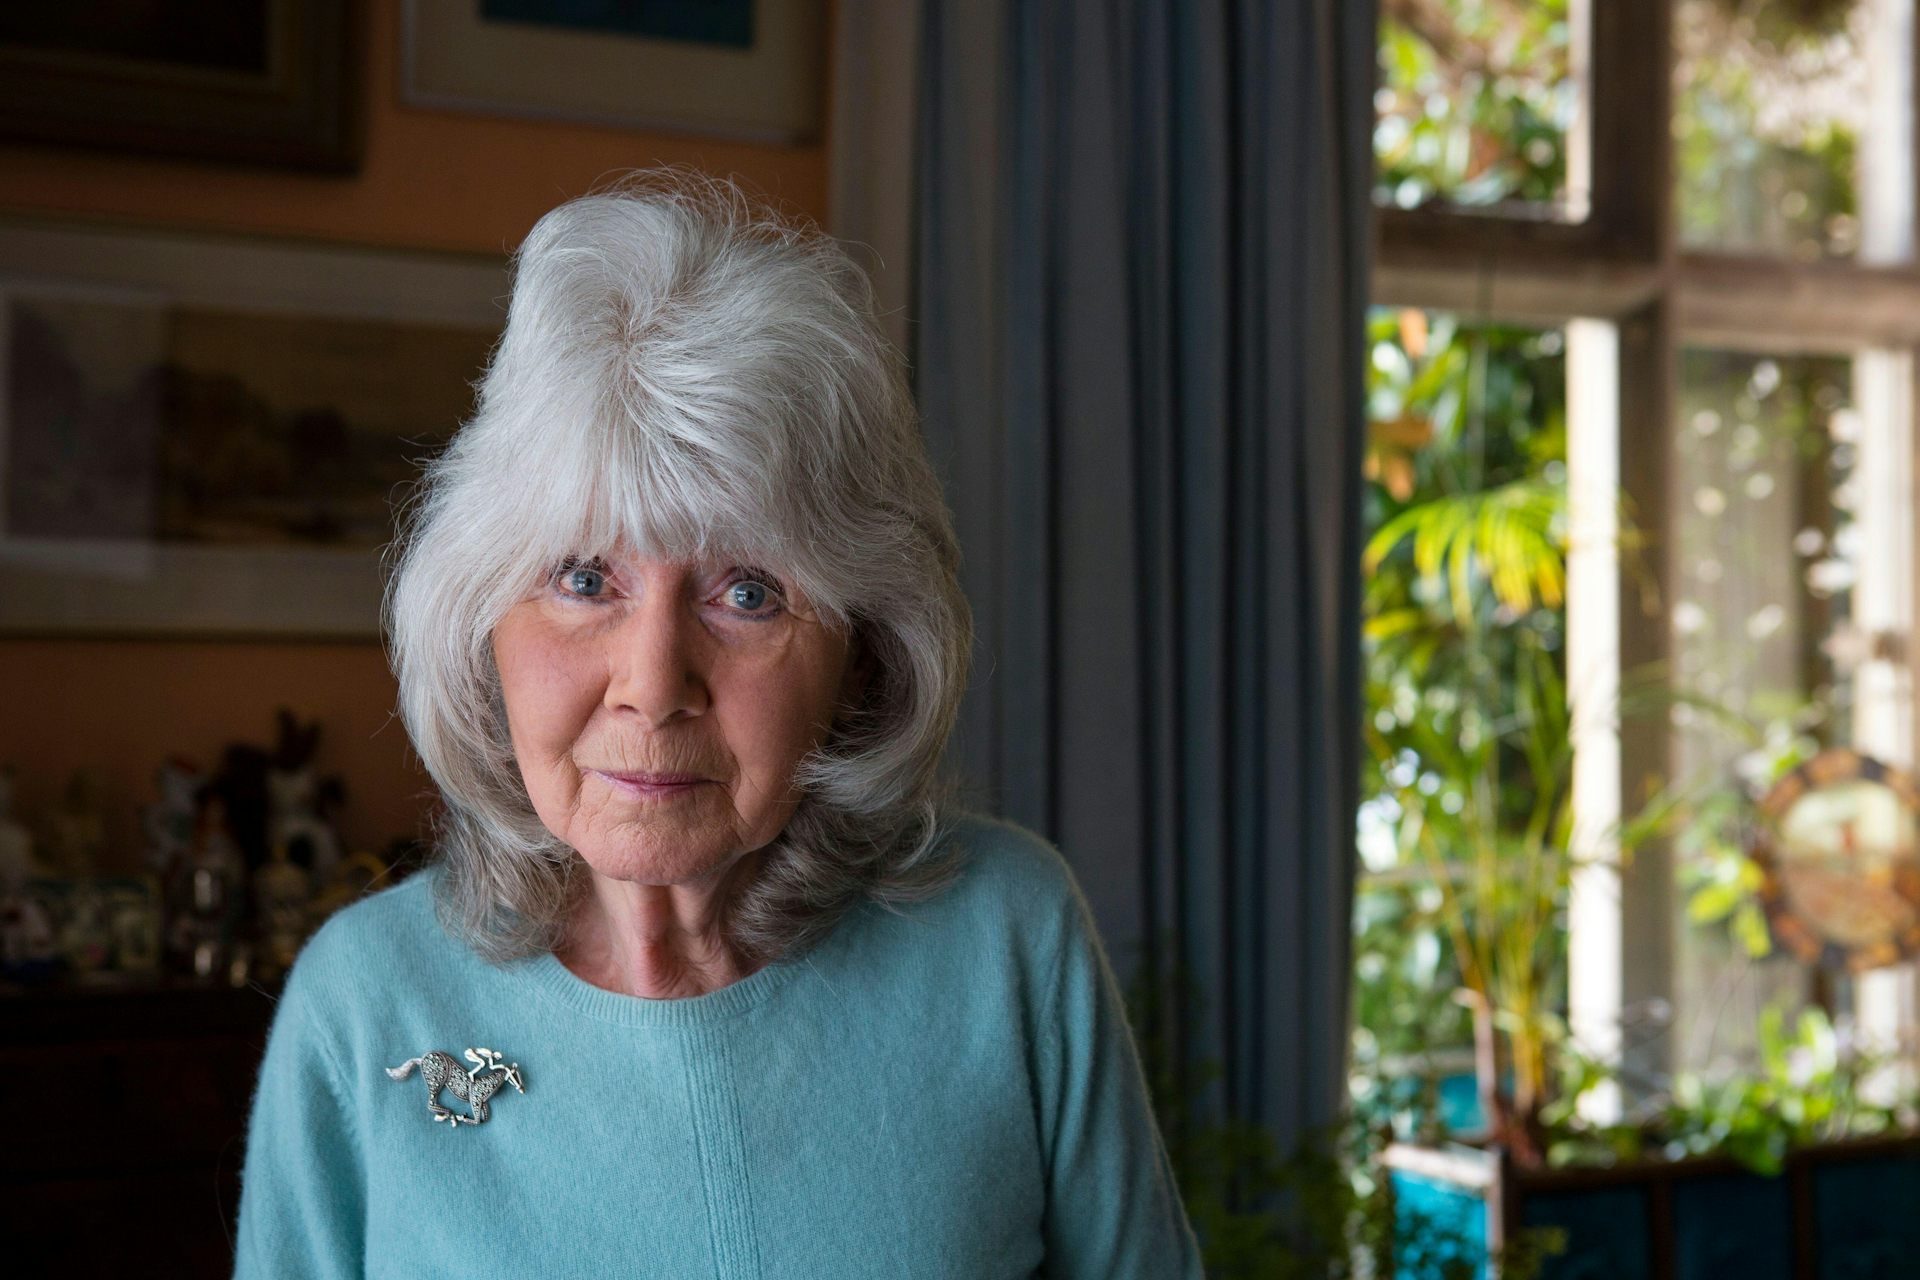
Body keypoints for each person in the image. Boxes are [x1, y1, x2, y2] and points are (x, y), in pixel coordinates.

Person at [233, 174, 1202, 1279]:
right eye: (585, 576)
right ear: (479, 619)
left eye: (747, 592)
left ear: (861, 653)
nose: (654, 685)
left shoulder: (1005, 938)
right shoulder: (366, 1002)